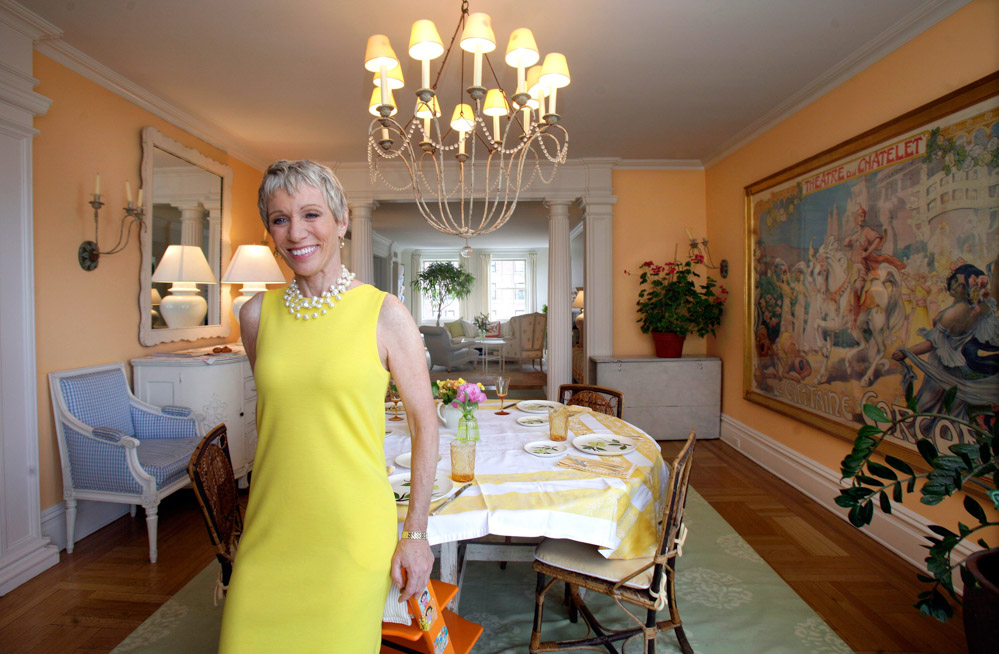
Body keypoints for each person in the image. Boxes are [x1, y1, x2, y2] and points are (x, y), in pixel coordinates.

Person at [219, 161, 438, 653]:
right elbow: (283, 420)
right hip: (268, 533)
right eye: (279, 219)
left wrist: (416, 534)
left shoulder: (384, 313)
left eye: (311, 214)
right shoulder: (254, 315)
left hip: (351, 540)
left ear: (341, 221)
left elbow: (427, 427)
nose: (296, 232)